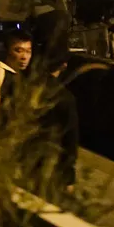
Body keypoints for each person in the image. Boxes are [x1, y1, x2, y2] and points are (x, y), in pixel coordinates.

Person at [36, 47, 80, 192]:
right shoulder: (65, 98)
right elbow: (70, 139)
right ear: (64, 65)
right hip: (49, 162)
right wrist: (69, 177)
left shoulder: (27, 87)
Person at [0, 30, 32, 112]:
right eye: (19, 51)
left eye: (28, 51)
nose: (24, 57)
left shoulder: (21, 74)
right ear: (6, 50)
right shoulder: (0, 71)